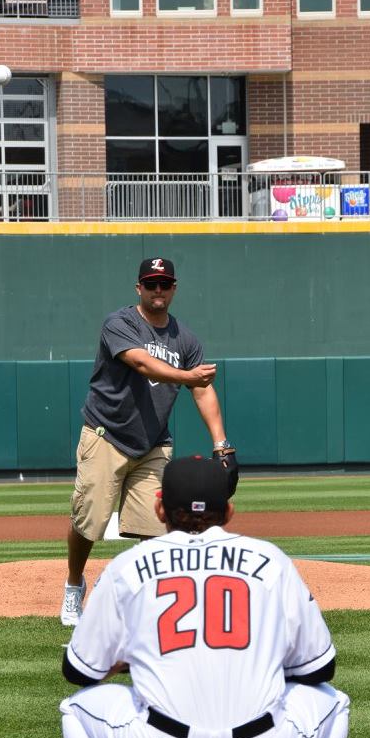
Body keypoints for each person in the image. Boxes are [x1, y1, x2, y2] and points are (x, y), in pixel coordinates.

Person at [59, 455, 350, 738]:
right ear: (228, 511)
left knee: (78, 708)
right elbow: (321, 668)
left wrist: (136, 659)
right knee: (333, 702)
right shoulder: (270, 560)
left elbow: (78, 671)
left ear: (159, 508)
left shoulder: (127, 567)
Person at [61, 256, 237, 627]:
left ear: (174, 289)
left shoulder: (184, 338)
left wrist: (222, 444)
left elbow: (203, 392)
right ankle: (74, 585)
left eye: (165, 284)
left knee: (155, 531)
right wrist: (187, 375)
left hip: (153, 443)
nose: (158, 290)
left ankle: (143, 602)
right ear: (138, 288)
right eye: (151, 283)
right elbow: (141, 363)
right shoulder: (119, 323)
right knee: (88, 522)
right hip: (105, 436)